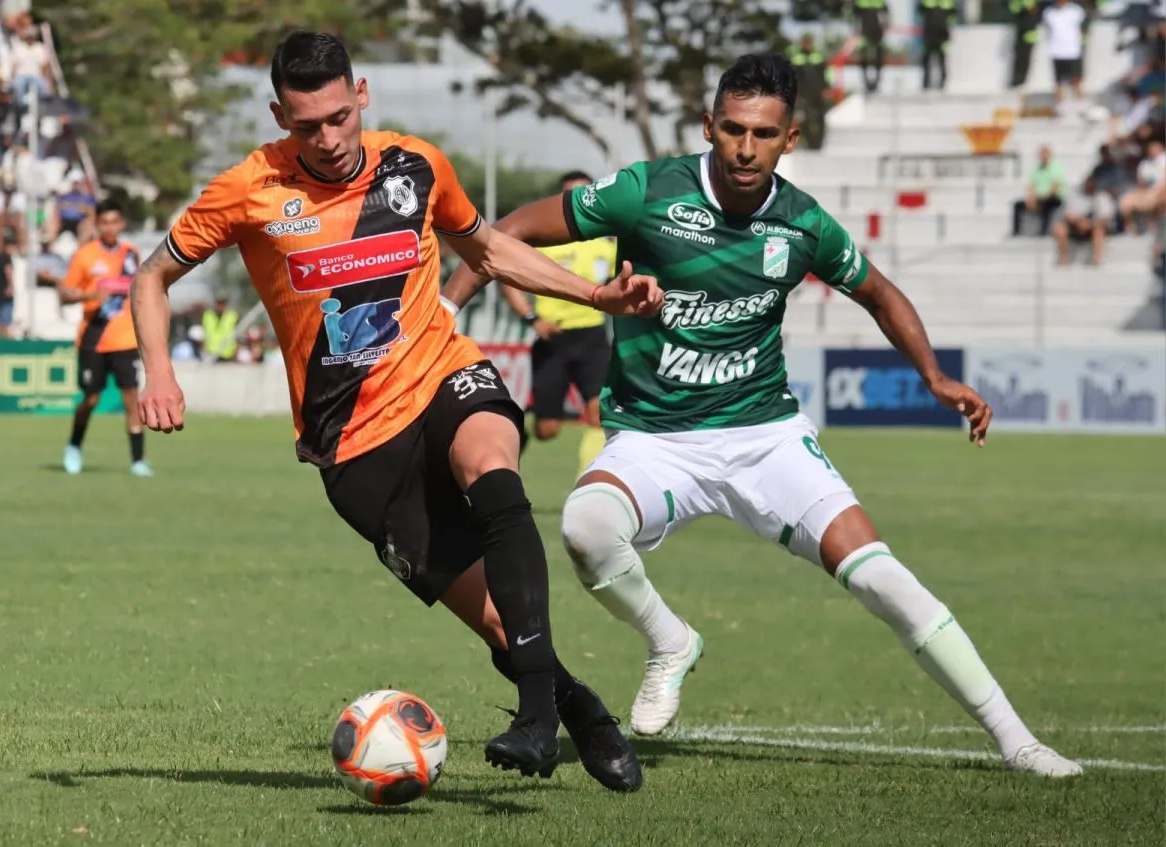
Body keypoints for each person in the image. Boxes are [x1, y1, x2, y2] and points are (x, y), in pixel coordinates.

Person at [443, 52, 1082, 778]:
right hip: (655, 438)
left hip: (764, 436)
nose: (747, 148)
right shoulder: (648, 192)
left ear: (791, 138)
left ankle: (1018, 741)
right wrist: (445, 308)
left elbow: (879, 292)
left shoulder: (802, 223)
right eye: (734, 129)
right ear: (708, 126)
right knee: (586, 527)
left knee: (880, 576)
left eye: (765, 133)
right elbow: (506, 231)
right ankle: (670, 640)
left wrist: (934, 377)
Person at [130, 30, 661, 791]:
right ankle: (584, 712)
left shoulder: (416, 165)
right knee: (498, 623)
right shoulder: (248, 189)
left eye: (339, 117)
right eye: (307, 125)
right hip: (353, 443)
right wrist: (159, 371)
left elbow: (487, 249)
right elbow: (151, 276)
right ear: (280, 116)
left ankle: (536, 717)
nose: (329, 139)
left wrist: (596, 295)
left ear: (361, 96)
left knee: (493, 472)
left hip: (442, 371)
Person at [499, 170, 615, 478]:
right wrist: (532, 318)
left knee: (598, 414)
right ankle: (519, 435)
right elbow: (506, 279)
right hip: (553, 341)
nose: (580, 200)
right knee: (547, 429)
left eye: (585, 193)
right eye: (571, 194)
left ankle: (588, 482)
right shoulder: (543, 243)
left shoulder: (607, 245)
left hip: (592, 339)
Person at [57, 200, 151, 476]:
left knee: (131, 398)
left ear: (122, 224)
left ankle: (138, 461)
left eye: (114, 222)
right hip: (94, 338)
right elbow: (65, 293)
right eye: (104, 223)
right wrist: (90, 296)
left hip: (125, 339)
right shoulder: (85, 255)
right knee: (90, 399)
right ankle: (74, 446)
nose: (110, 228)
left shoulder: (131, 254)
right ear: (97, 225)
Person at [1053, 176, 1116, 265]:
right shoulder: (1074, 195)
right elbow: (1067, 214)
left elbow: (1106, 217)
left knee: (1099, 230)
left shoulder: (1102, 197)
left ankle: (1096, 261)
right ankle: (1063, 261)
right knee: (1059, 229)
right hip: (1074, 227)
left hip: (1093, 229)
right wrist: (1079, 222)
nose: (1090, 185)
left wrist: (1089, 224)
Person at [1012, 145, 1067, 236]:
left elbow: (1054, 187)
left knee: (1046, 204)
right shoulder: (1036, 170)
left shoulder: (1056, 168)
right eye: (1041, 155)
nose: (1043, 157)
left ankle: (1044, 231)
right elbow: (1031, 186)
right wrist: (1030, 198)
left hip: (1053, 197)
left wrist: (1041, 198)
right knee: (1017, 205)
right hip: (1038, 198)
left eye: (1045, 154)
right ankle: (1016, 231)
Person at [1042, 0, 1088, 110]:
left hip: (1073, 50)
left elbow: (1083, 26)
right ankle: (1060, 103)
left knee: (1076, 78)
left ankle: (1080, 101)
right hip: (1056, 50)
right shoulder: (1049, 12)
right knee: (1059, 80)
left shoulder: (1076, 11)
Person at [787, 34, 828, 150]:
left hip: (818, 92)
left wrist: (826, 88)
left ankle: (819, 142)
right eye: (805, 42)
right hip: (803, 94)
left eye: (808, 42)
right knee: (804, 118)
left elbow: (826, 73)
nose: (807, 44)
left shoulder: (818, 56)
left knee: (820, 118)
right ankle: (808, 141)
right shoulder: (796, 58)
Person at [919, 0, 954, 91]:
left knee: (942, 61)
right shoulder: (926, 1)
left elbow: (953, 17)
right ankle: (926, 84)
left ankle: (942, 83)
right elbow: (920, 13)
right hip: (929, 34)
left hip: (942, 36)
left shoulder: (948, 2)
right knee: (926, 60)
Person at [854, 0, 888, 94]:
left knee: (877, 56)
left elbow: (885, 13)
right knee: (865, 56)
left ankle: (876, 80)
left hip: (875, 31)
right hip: (866, 31)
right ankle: (866, 81)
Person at [1009, 0, 1041, 88]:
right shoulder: (1017, 2)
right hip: (1021, 32)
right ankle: (1017, 80)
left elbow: (1034, 10)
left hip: (1030, 33)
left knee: (1026, 58)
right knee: (1019, 57)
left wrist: (1029, 8)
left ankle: (1022, 80)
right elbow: (1014, 9)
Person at [201, 295, 239, 362]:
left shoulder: (232, 316)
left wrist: (235, 353)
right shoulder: (208, 315)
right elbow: (204, 333)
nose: (220, 306)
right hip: (211, 353)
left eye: (222, 303)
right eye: (219, 303)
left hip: (227, 353)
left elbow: (238, 335)